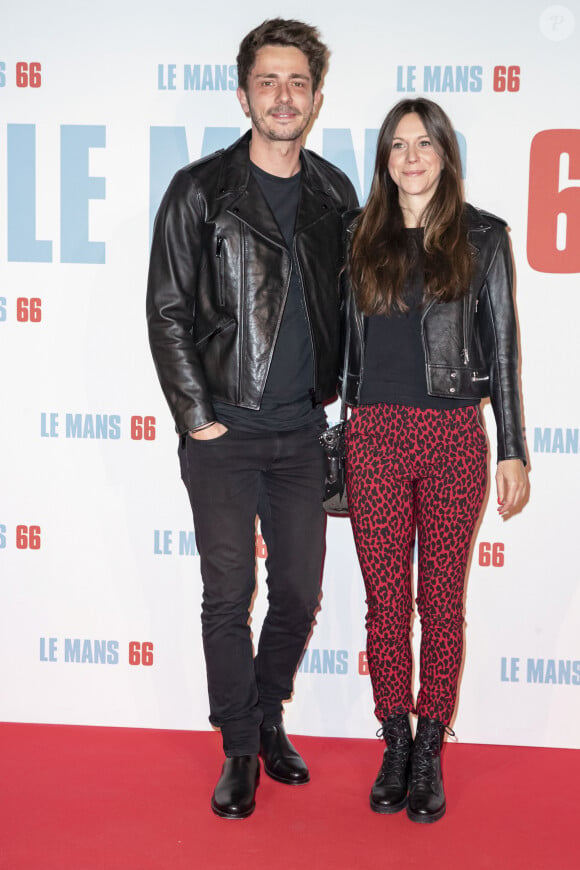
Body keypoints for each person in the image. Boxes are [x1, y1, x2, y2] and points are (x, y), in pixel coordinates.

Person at [146, 18, 358, 820]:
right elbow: (166, 309)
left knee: (299, 592)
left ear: (314, 97)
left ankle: (269, 711)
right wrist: (198, 416)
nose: (283, 95)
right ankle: (239, 747)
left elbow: (359, 311)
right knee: (227, 595)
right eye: (268, 81)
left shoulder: (336, 194)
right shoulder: (200, 190)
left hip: (304, 434)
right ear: (244, 94)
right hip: (224, 435)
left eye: (297, 82)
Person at [341, 98, 527, 823]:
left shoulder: (483, 237)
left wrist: (510, 447)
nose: (411, 156)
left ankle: (429, 747)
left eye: (425, 144)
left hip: (454, 436)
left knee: (440, 603)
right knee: (387, 602)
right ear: (384, 160)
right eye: (397, 145)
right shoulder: (357, 235)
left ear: (446, 155)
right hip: (374, 435)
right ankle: (393, 736)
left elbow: (505, 352)